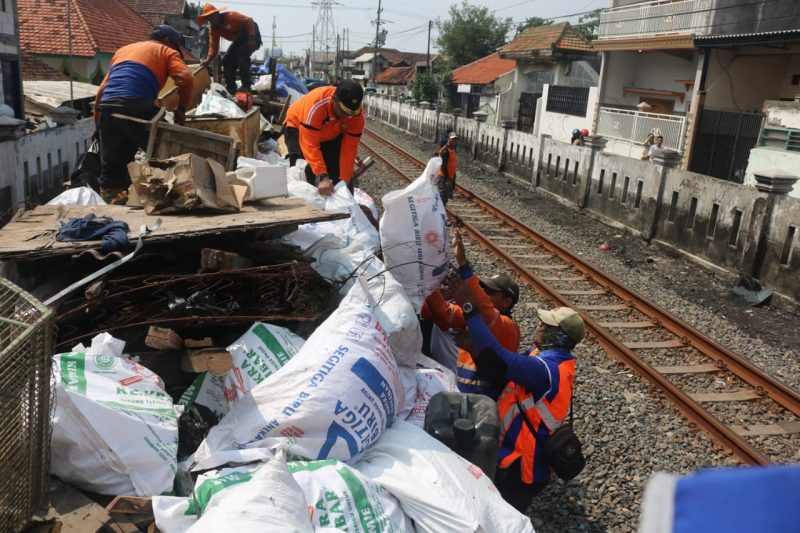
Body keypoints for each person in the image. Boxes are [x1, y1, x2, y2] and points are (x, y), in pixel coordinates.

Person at [454, 290, 586, 513]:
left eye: (547, 326)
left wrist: (470, 309)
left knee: (502, 519)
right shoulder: (541, 354)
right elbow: (501, 373)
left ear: (562, 337)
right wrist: (475, 352)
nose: (539, 325)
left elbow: (501, 357)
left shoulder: (546, 369)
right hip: (512, 457)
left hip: (523, 467)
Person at [94, 25, 194, 204]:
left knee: (112, 168)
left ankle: (113, 202)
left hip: (107, 108)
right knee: (163, 154)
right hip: (138, 106)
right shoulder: (166, 50)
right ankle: (168, 196)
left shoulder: (122, 51)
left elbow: (101, 90)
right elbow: (186, 78)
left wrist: (98, 124)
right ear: (168, 41)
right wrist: (181, 109)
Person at [424, 230, 520, 398]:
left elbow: (486, 312)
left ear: (506, 302)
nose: (483, 294)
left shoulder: (507, 327)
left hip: (488, 404)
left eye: (490, 292)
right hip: (465, 399)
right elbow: (445, 312)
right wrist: (427, 281)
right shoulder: (474, 318)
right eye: (482, 289)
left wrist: (464, 267)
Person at [283, 80, 365, 196]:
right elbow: (310, 145)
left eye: (352, 113)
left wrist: (345, 180)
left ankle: (343, 208)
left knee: (337, 174)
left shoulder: (356, 117)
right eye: (344, 111)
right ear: (335, 100)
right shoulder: (317, 105)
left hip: (328, 132)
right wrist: (323, 176)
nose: (348, 116)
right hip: (298, 127)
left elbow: (348, 150)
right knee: (302, 170)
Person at [197, 3, 262, 95]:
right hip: (239, 39)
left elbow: (249, 21)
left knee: (241, 54)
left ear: (217, 14)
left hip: (251, 31)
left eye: (212, 17)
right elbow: (213, 47)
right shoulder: (214, 30)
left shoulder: (231, 16)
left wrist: (251, 37)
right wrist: (207, 60)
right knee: (226, 59)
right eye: (209, 18)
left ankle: (246, 86)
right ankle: (231, 88)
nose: (211, 20)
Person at [438, 132, 458, 206]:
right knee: (443, 195)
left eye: (455, 139)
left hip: (450, 177)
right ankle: (439, 213)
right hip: (444, 176)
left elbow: (452, 164)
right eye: (452, 139)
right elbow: (444, 166)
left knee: (446, 196)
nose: (454, 141)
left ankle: (442, 211)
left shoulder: (453, 149)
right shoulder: (446, 150)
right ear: (448, 139)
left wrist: (453, 176)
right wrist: (447, 179)